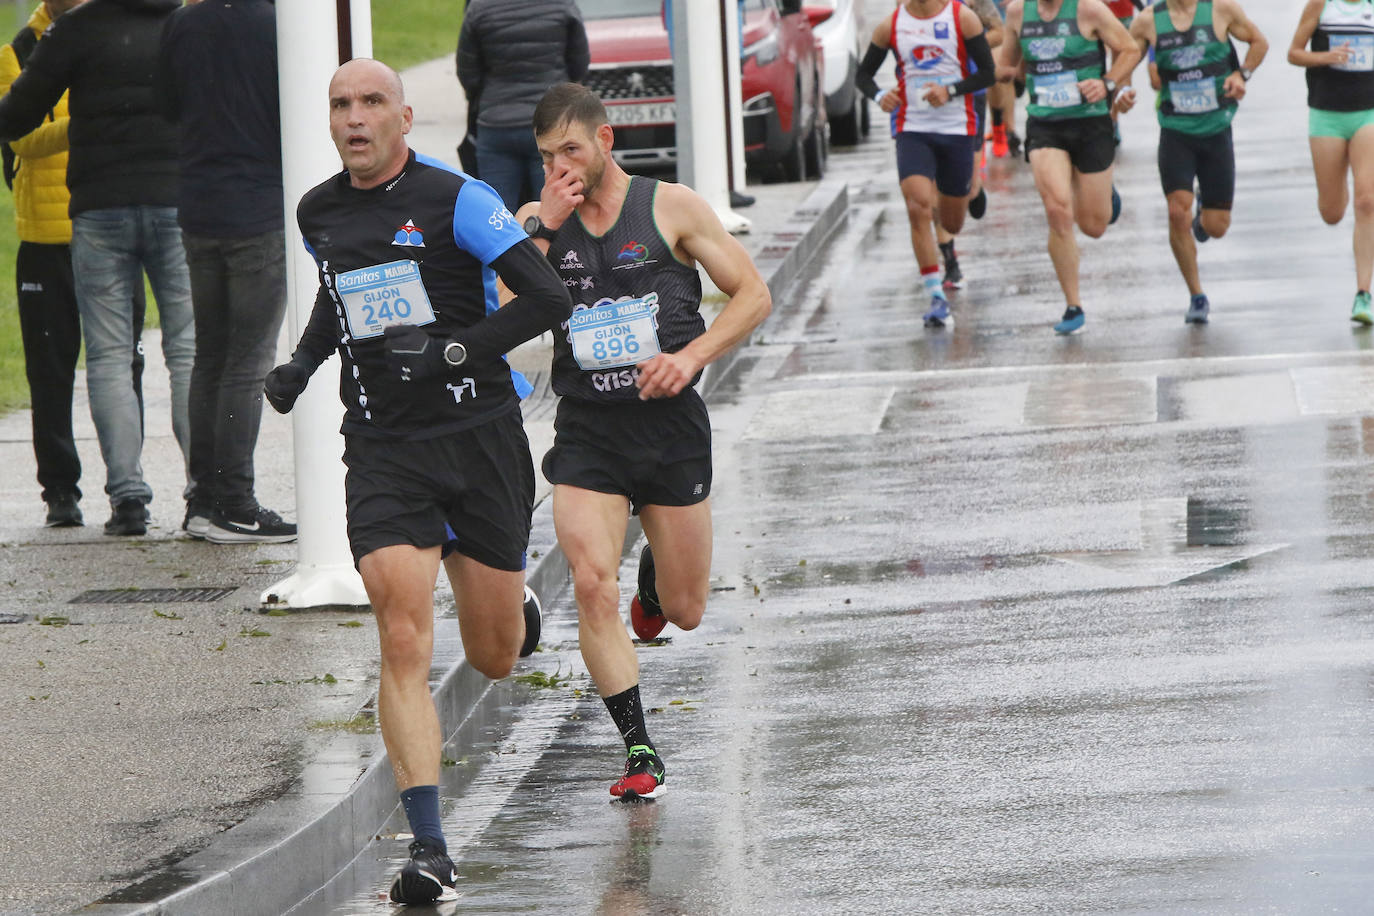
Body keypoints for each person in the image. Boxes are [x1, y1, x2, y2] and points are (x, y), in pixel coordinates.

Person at [262, 59, 571, 905]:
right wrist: (301, 362)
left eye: (370, 104)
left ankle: (514, 602)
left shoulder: (459, 199)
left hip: (478, 440)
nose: (353, 118)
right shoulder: (317, 212)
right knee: (402, 638)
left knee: (494, 656)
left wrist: (457, 350)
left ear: (403, 116)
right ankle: (431, 850)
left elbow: (546, 297)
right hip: (385, 449)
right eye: (339, 105)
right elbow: (339, 296)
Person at [512, 81, 772, 802]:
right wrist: (541, 225)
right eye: (546, 156)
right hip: (589, 429)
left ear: (605, 142)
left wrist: (690, 359)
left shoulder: (670, 209)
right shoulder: (535, 222)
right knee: (591, 582)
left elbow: (753, 295)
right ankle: (638, 748)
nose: (560, 165)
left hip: (669, 427)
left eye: (571, 149)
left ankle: (657, 576)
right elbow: (501, 314)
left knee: (685, 610)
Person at [0, 0, 195, 537]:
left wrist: (82, 114)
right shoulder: (181, 24)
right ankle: (204, 488)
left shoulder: (76, 30)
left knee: (108, 356)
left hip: (99, 206)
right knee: (186, 350)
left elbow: (13, 117)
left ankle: (128, 497)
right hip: (175, 201)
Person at [156, 0, 296, 544]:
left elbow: (165, 105)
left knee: (210, 355)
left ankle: (203, 497)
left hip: (198, 205)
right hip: (257, 209)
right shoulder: (274, 26)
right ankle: (234, 500)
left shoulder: (183, 21)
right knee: (247, 360)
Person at [1118, 0, 1267, 323]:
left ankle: (1204, 213)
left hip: (1216, 128)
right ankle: (1196, 295)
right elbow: (1124, 59)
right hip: (1176, 131)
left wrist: (1242, 74)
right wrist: (1123, 92)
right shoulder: (1148, 21)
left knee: (1216, 226)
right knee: (1176, 211)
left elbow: (1259, 42)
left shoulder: (1221, 10)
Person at [998, 0, 1141, 334]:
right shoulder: (1018, 13)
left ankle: (1101, 192)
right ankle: (1073, 305)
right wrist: (1001, 72)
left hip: (1091, 124)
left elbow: (1130, 49)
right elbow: (1008, 65)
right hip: (1045, 124)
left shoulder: (1090, 10)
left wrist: (1106, 83)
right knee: (1057, 210)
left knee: (1094, 225)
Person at [856, 0, 998, 327]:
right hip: (913, 128)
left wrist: (950, 90)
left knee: (952, 222)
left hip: (957, 128)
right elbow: (862, 75)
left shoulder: (962, 18)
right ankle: (936, 295)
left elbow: (988, 74)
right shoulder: (891, 25)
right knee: (918, 205)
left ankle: (971, 192)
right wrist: (879, 96)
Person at [456, 0, 589, 212]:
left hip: (496, 124)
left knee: (497, 216)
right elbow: (579, 64)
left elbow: (468, 73)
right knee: (554, 212)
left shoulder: (479, 8)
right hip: (552, 125)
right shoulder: (561, 5)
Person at [1289, 0, 1374, 324]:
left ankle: (1363, 295)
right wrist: (1326, 57)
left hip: (1369, 111)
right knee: (1332, 211)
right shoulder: (1321, 5)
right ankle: (1340, 187)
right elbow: (1294, 52)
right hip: (1327, 114)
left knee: (1367, 201)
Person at [935, 0, 1005, 289]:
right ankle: (950, 262)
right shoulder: (912, 6)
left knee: (967, 189)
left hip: (968, 93)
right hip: (928, 102)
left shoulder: (973, 4)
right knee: (933, 187)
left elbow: (999, 31)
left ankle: (973, 189)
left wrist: (966, 45)